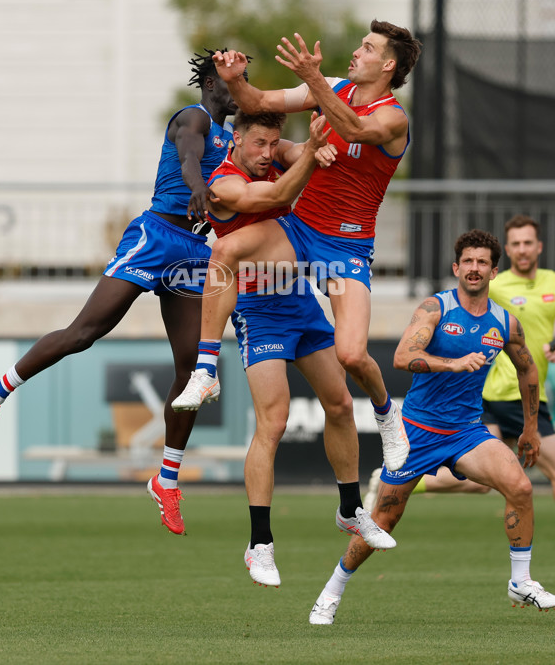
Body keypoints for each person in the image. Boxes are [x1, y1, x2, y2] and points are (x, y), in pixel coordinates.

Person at [0, 49, 240, 536]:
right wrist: (197, 187)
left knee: (193, 366)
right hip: (156, 237)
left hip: (194, 250)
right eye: (234, 81)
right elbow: (190, 156)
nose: (242, 88)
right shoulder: (193, 116)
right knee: (84, 332)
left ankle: (167, 477)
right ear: (213, 84)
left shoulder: (234, 136)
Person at [172, 20, 422, 474]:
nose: (357, 53)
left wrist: (313, 81)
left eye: (368, 48)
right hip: (300, 230)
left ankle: (388, 416)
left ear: (388, 65)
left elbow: (355, 130)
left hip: (346, 246)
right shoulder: (332, 87)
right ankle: (205, 371)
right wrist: (235, 79)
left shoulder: (393, 116)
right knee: (224, 252)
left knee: (352, 355)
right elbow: (258, 103)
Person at [309, 228, 555, 625]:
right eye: (468, 262)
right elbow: (403, 357)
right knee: (384, 520)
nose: (474, 269)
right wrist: (452, 363)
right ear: (457, 268)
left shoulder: (505, 323)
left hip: (467, 432)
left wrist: (530, 427)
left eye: (483, 263)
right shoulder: (434, 309)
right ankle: (332, 590)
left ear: (494, 272)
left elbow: (527, 369)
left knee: (521, 486)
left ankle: (520, 581)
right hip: (416, 432)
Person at [205, 108, 395, 587]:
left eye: (273, 143)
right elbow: (277, 193)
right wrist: (311, 152)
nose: (267, 153)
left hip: (301, 303)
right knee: (274, 422)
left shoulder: (276, 158)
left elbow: (301, 157)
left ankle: (351, 508)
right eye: (258, 144)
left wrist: (319, 147)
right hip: (257, 309)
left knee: (339, 403)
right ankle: (260, 544)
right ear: (236, 140)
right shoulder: (223, 181)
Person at [364, 214, 555, 508]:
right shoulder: (493, 283)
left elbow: (527, 361)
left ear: (539, 247)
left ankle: (400, 481)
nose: (522, 249)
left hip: (519, 394)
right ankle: (398, 481)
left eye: (527, 242)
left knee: (483, 484)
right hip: (492, 393)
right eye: (516, 243)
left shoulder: (551, 282)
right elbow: (412, 348)